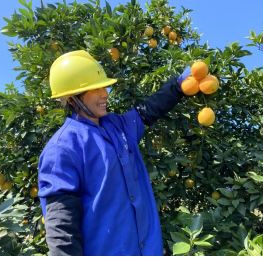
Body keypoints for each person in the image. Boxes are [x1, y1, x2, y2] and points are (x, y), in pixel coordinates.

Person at [38, 50, 190, 255]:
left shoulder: (117, 127)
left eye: (104, 87)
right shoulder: (63, 148)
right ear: (72, 98)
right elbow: (61, 228)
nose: (105, 94)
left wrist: (178, 86)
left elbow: (148, 110)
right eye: (95, 89)